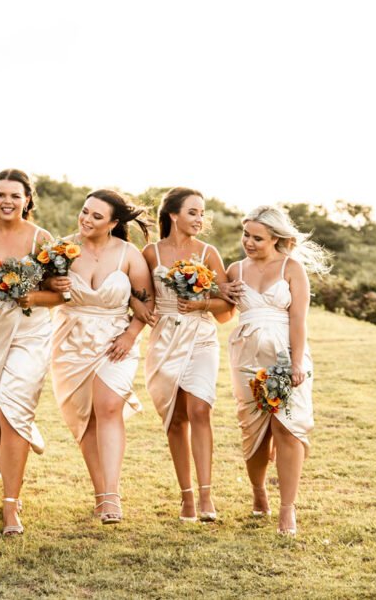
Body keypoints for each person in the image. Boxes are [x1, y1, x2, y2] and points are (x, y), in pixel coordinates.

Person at [0, 169, 62, 536]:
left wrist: (33, 296)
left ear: (27, 200)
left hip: (28, 330)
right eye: (1, 194)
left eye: (15, 196)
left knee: (13, 412)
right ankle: (10, 486)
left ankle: (10, 506)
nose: (7, 201)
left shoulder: (41, 238)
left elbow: (59, 294)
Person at [47, 190, 153, 524]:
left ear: (113, 223)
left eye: (96, 216)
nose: (86, 219)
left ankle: (112, 495)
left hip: (114, 341)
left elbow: (146, 301)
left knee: (108, 407)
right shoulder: (61, 249)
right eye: (84, 211)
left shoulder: (128, 254)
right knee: (84, 417)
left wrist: (130, 335)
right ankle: (100, 494)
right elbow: (41, 290)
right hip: (70, 341)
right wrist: (52, 283)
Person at [224, 205, 329, 536]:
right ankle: (258, 491)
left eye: (257, 238)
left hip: (285, 355)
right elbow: (222, 313)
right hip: (246, 357)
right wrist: (218, 290)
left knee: (287, 428)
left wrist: (297, 363)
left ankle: (288, 509)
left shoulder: (292, 268)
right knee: (254, 432)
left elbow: (298, 320)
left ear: (275, 238)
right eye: (246, 235)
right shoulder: (234, 269)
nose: (249, 242)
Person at [142, 187, 232, 522]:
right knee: (175, 417)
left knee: (200, 409)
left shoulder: (208, 252)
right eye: (193, 212)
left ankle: (207, 495)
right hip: (164, 339)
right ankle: (187, 497)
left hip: (200, 337)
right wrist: (139, 309)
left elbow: (226, 308)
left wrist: (200, 304)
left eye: (202, 213)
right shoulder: (150, 253)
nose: (199, 219)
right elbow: (142, 296)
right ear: (173, 214)